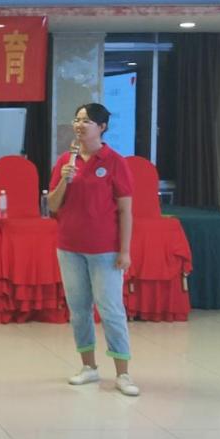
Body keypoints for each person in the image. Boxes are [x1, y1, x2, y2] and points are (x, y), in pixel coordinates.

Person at [48, 102, 139, 397]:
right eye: (77, 119)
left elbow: (125, 210)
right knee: (78, 310)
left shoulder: (114, 161)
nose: (79, 125)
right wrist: (65, 179)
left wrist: (124, 251)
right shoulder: (66, 160)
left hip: (105, 250)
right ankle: (88, 366)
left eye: (86, 121)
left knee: (111, 310)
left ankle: (123, 373)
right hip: (69, 247)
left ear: (101, 127)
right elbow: (52, 205)